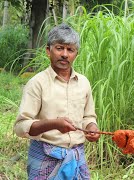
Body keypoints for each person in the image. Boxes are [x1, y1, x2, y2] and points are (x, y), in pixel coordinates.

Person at [14, 23, 100, 179]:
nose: (65, 54)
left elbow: (88, 117)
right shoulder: (37, 83)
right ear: (48, 50)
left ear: (76, 54)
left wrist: (91, 127)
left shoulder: (83, 83)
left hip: (76, 156)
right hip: (44, 157)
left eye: (70, 49)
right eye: (59, 48)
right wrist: (54, 124)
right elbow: (20, 127)